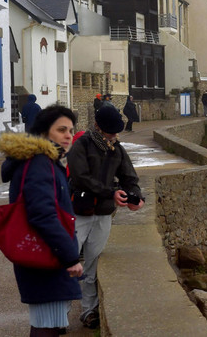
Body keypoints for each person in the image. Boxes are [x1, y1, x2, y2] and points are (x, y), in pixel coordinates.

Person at [0, 105, 83, 336]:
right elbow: (42, 214)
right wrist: (69, 257)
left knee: (50, 324)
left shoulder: (42, 161)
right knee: (47, 327)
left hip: (44, 256)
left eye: (71, 130)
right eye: (61, 129)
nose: (68, 135)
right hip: (45, 258)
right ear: (45, 133)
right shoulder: (39, 164)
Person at [67, 104, 144, 329]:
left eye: (116, 132)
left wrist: (136, 197)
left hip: (102, 214)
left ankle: (90, 311)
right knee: (69, 263)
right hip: (79, 211)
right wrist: (111, 192)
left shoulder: (116, 149)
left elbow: (130, 176)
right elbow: (80, 178)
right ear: (98, 127)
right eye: (111, 132)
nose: (115, 135)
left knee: (91, 264)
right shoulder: (81, 145)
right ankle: (60, 314)